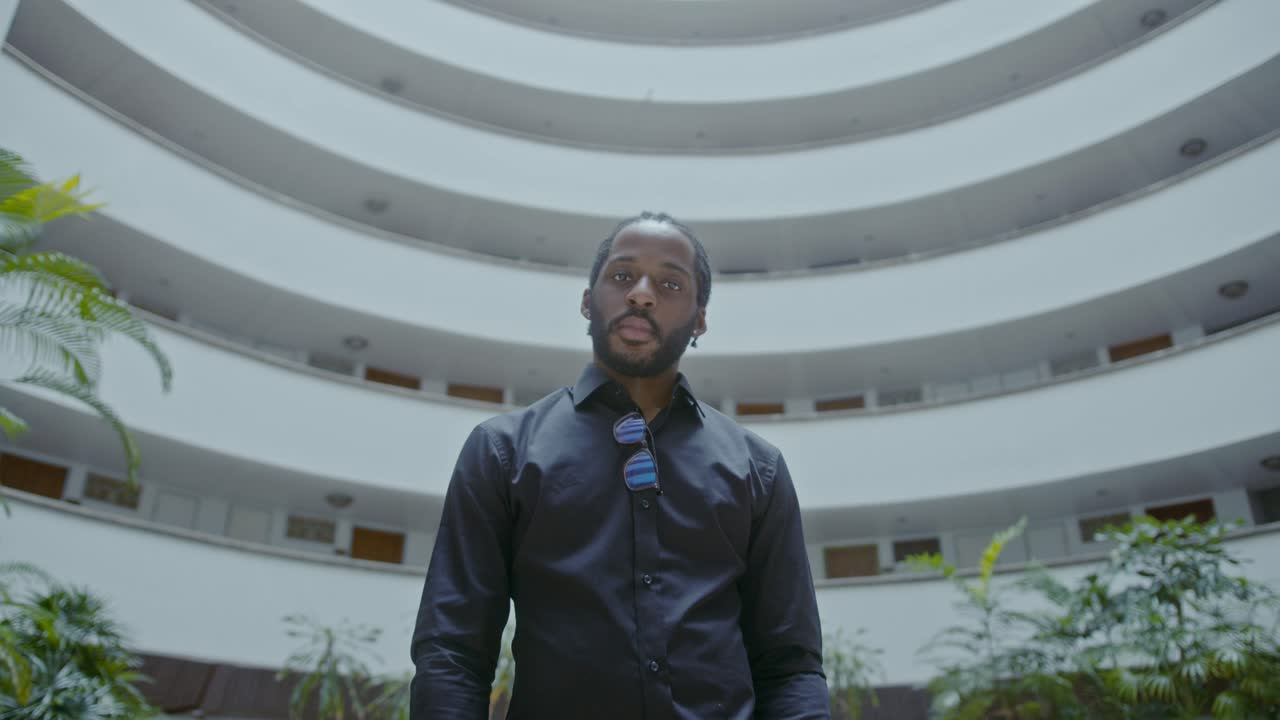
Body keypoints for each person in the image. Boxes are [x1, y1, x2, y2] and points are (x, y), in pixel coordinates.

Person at [410, 213, 829, 719]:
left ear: (699, 319)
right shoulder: (502, 453)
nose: (642, 294)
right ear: (588, 301)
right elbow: (452, 651)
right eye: (622, 276)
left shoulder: (758, 469)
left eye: (670, 283)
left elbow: (789, 665)